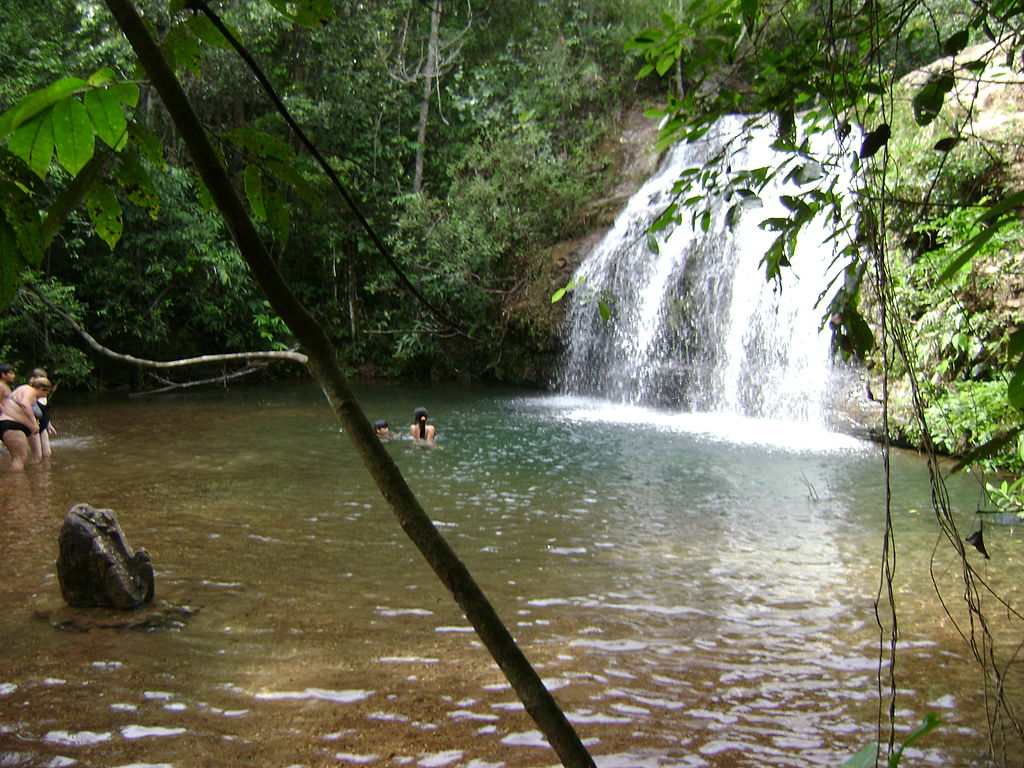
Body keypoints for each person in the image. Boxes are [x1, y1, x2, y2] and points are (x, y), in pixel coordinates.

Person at [0, 376, 50, 472]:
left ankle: (15, 481)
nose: (45, 396)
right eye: (46, 393)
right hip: (11, 425)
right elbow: (24, 404)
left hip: (7, 424)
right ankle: (16, 484)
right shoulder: (30, 390)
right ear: (42, 389)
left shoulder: (22, 389)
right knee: (19, 459)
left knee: (19, 458)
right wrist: (33, 423)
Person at [29, 368, 56, 459]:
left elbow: (45, 412)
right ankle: (35, 470)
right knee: (38, 455)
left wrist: (49, 424)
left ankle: (44, 472)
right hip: (34, 426)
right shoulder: (31, 394)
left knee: (47, 454)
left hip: (43, 426)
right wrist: (33, 423)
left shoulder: (44, 395)